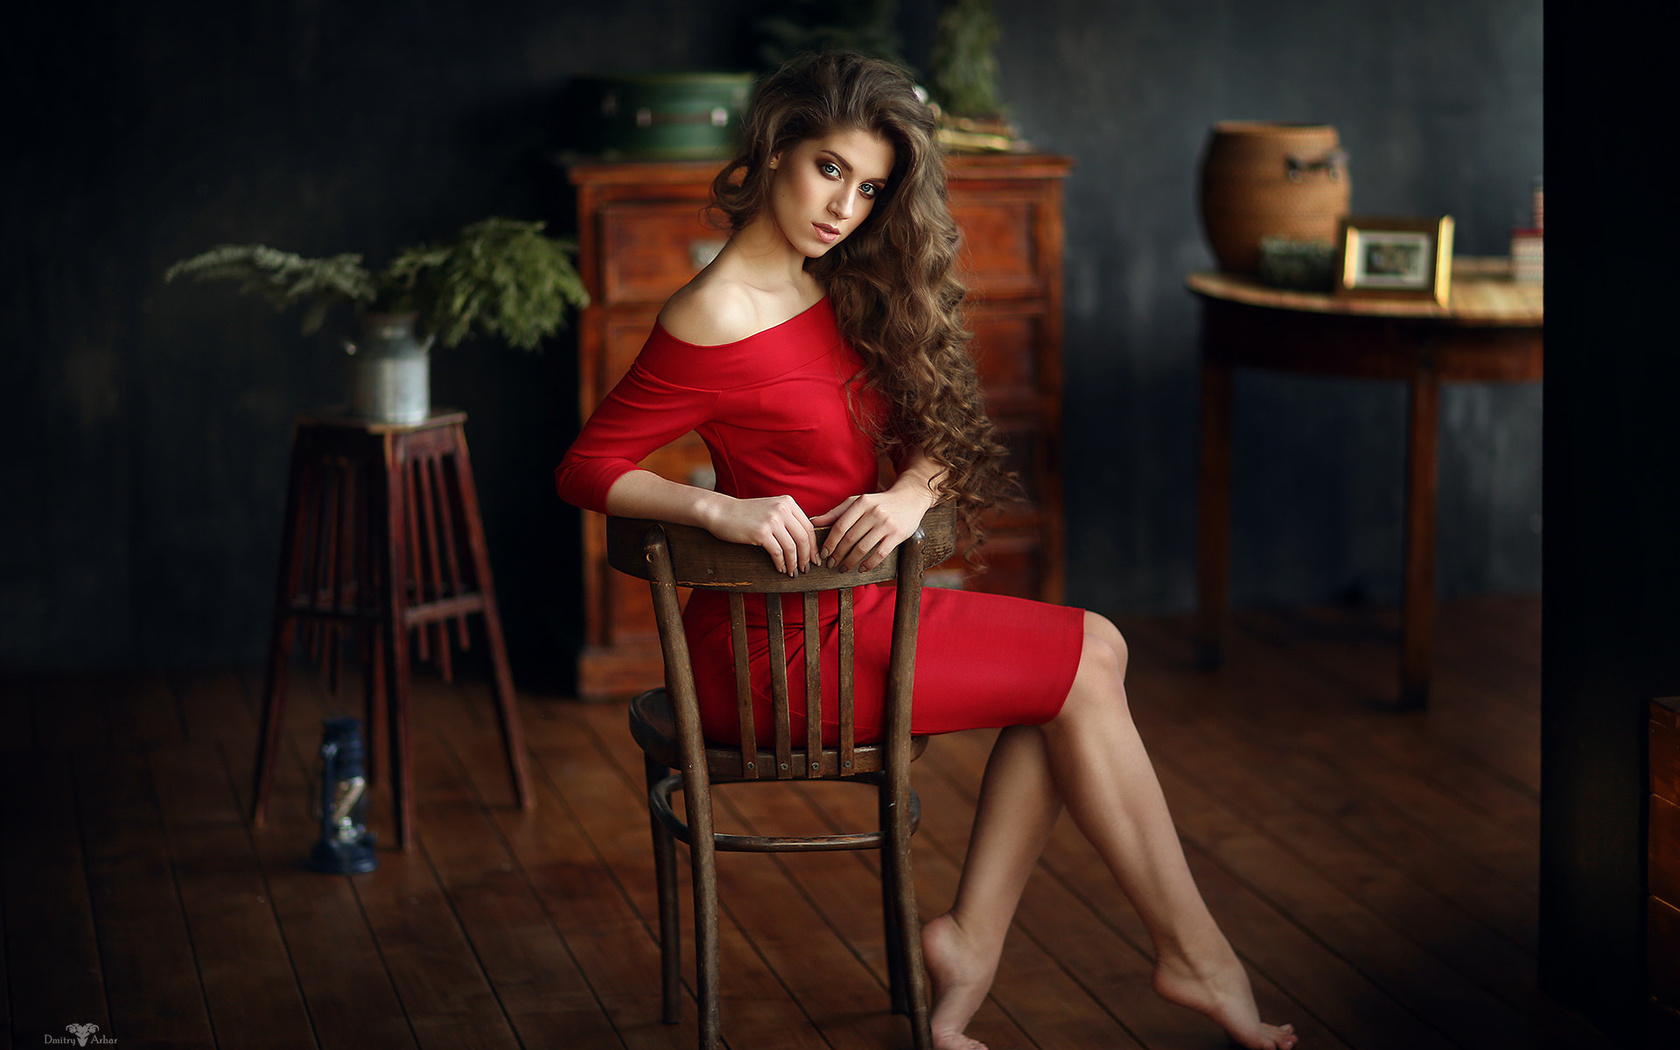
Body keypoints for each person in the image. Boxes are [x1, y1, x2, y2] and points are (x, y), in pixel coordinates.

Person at [556, 50, 1298, 1050]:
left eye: (867, 188)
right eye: (829, 170)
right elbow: (587, 467)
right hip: (774, 649)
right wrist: (718, 512)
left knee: (1081, 676)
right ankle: (1192, 957)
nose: (843, 207)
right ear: (775, 151)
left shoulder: (838, 284)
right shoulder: (711, 313)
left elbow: (936, 438)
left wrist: (909, 492)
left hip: (860, 611)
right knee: (1091, 659)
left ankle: (974, 948)